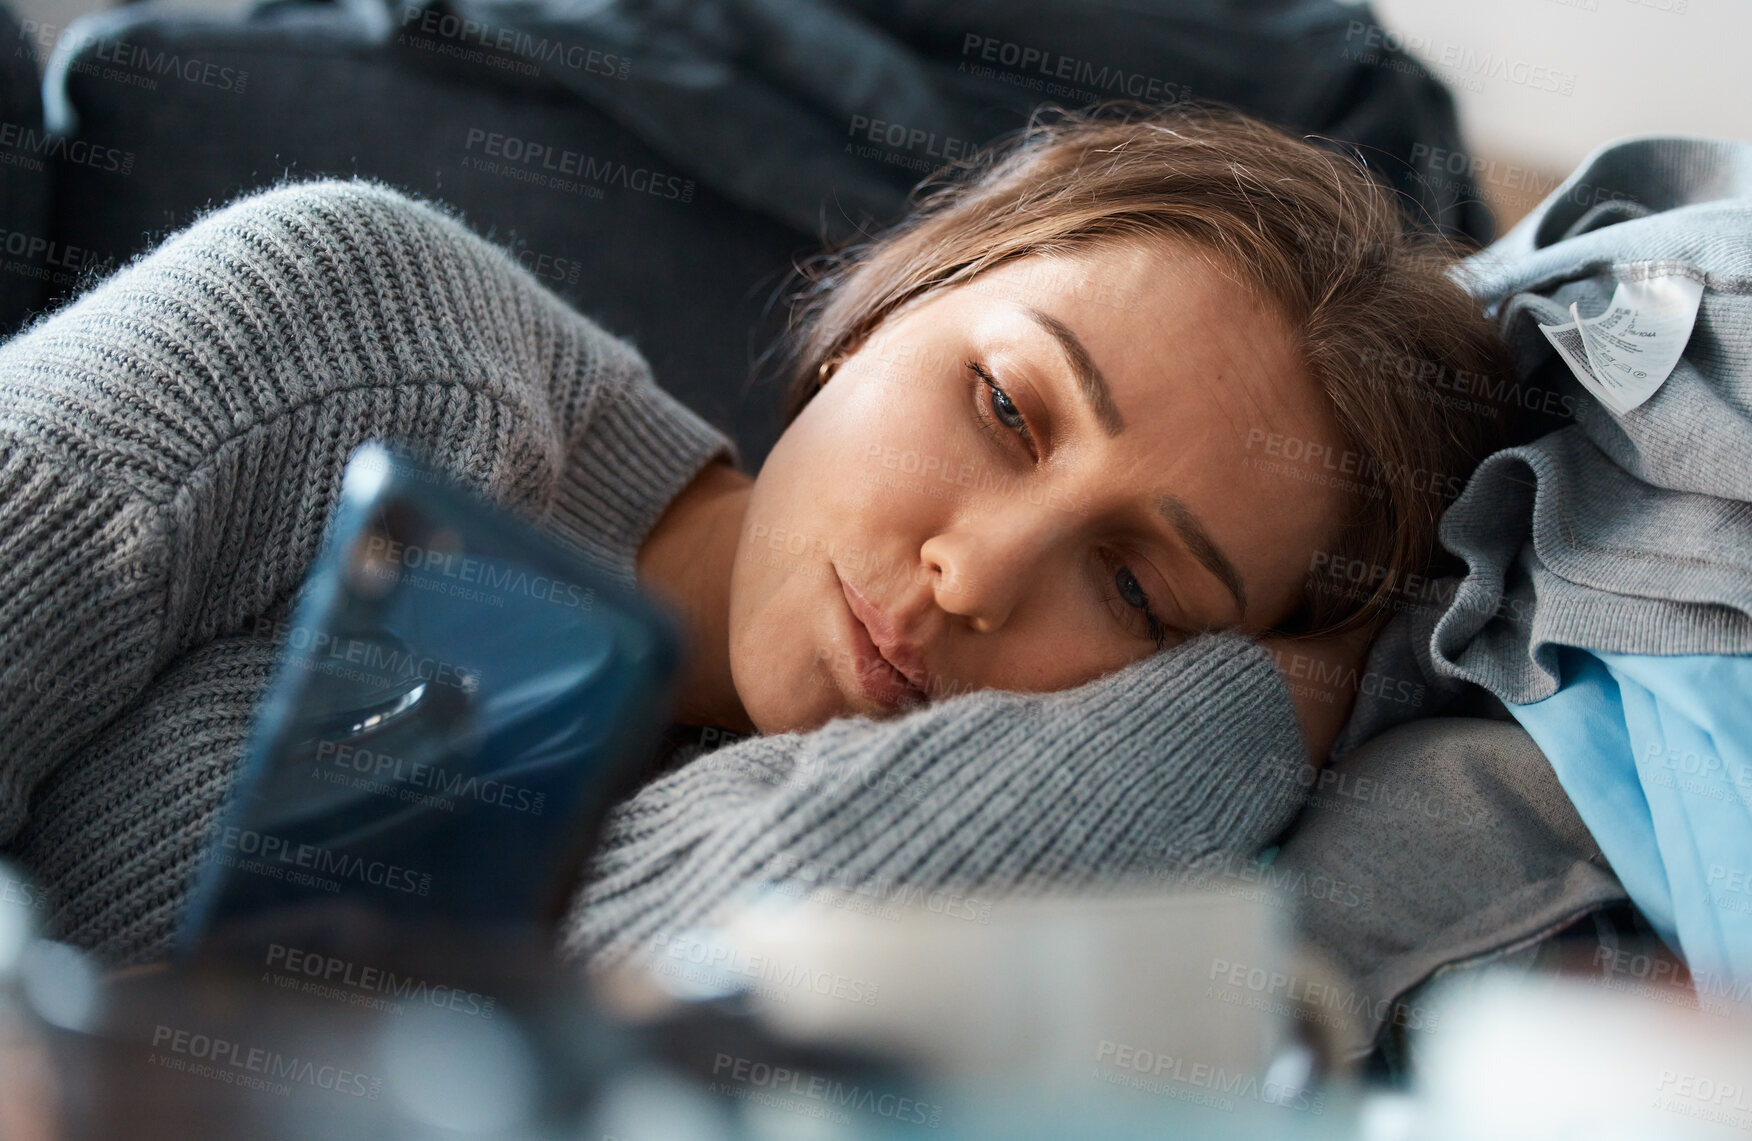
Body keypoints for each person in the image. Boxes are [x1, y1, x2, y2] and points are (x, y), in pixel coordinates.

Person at [0, 104, 1508, 969]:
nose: (972, 577)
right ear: (889, 301)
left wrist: (1274, 696)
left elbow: (691, 979)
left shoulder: (894, 806)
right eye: (1005, 404)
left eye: (1133, 587)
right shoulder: (358, 323)